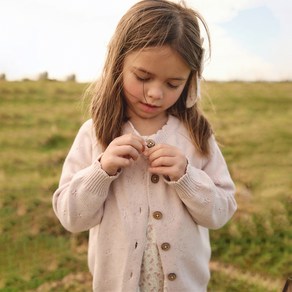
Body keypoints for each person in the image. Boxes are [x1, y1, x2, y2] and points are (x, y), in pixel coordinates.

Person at [52, 0, 237, 291]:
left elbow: (222, 211)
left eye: (173, 83)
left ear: (190, 82)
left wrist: (187, 178)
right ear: (118, 65)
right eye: (143, 77)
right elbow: (70, 217)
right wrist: (101, 172)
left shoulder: (197, 135)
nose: (154, 94)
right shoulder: (97, 134)